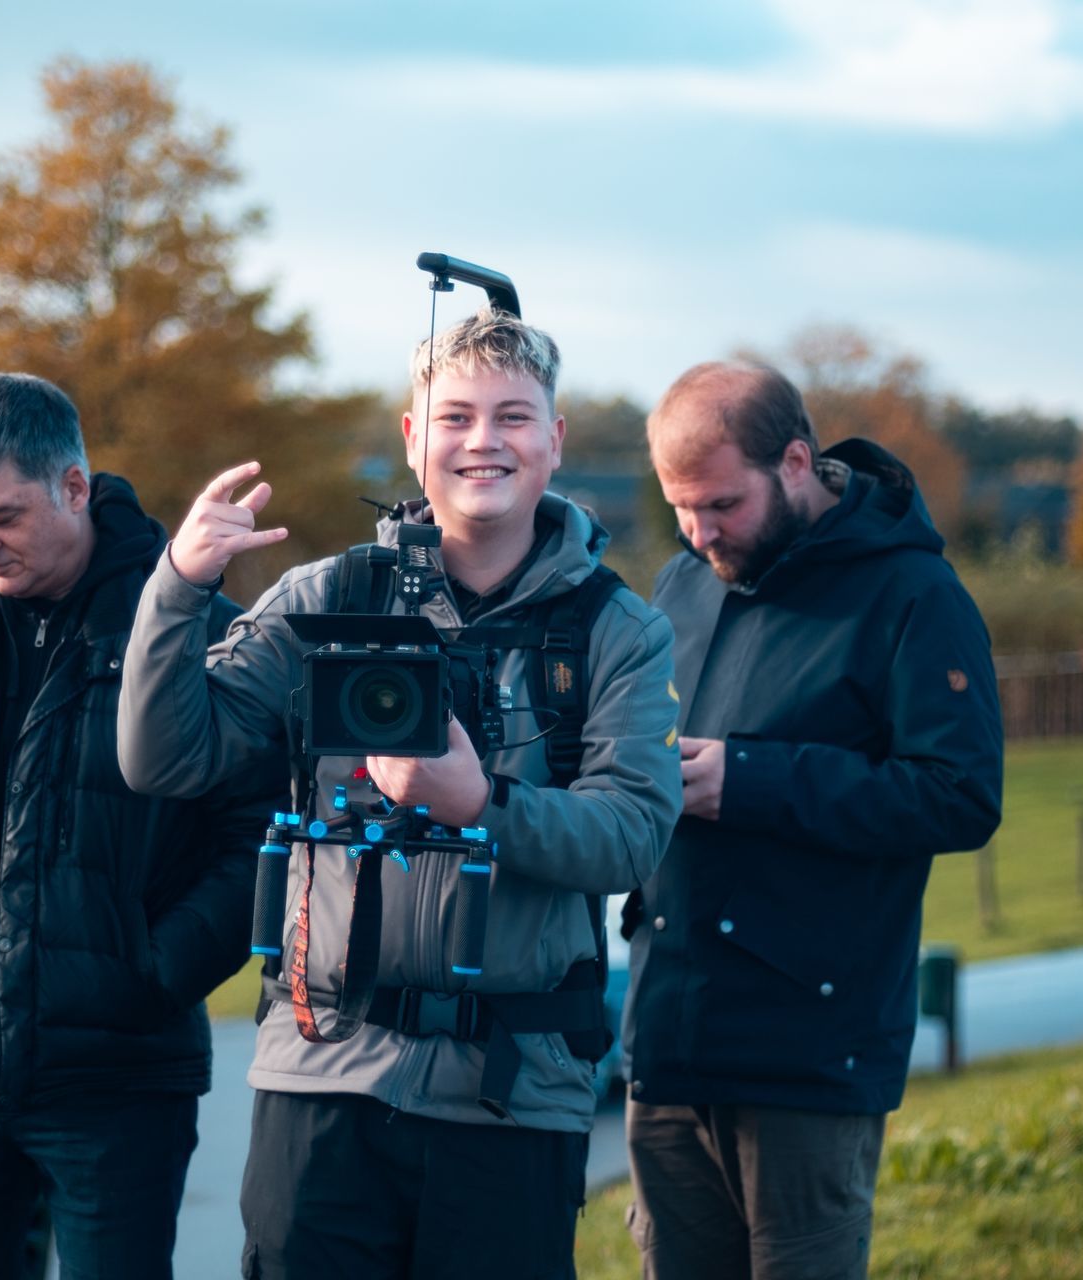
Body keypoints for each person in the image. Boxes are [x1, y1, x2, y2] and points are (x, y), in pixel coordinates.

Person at [117, 310, 682, 1279]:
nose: (482, 441)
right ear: (415, 438)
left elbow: (633, 835)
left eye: (512, 416)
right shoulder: (327, 596)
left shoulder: (618, 630)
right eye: (455, 416)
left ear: (555, 440)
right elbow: (162, 757)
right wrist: (176, 585)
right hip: (322, 1074)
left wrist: (483, 802)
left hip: (511, 1097)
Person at [0, 373, 273, 1280]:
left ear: (75, 486)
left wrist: (157, 968)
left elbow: (255, 834)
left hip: (116, 1078)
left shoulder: (199, 632)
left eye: (0, 516)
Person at [622, 360, 1004, 1279]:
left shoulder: (917, 597)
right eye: (682, 508)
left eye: (721, 504)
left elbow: (959, 794)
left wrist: (748, 781)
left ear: (796, 462)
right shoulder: (683, 584)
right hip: (667, 1041)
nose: (700, 533)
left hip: (808, 1052)